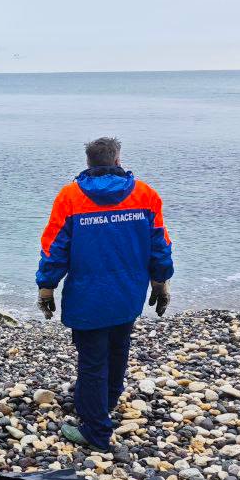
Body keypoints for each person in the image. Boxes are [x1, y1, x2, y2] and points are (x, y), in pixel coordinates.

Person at [36, 137, 174, 452]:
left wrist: (47, 286)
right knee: (117, 350)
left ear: (88, 162)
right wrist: (161, 282)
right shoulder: (144, 195)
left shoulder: (70, 197)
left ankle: (96, 431)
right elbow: (159, 244)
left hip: (88, 295)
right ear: (117, 160)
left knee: (93, 359)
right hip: (127, 292)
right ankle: (101, 404)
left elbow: (55, 247)